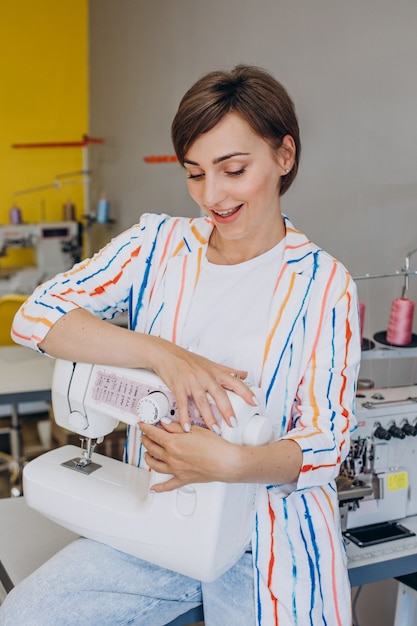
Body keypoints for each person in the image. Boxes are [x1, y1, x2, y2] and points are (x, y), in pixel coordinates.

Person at [1, 65, 360, 626]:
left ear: (284, 156)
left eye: (233, 169)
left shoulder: (323, 284)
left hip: (266, 535)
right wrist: (165, 356)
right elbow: (36, 316)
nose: (211, 196)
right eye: (194, 174)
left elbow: (328, 440)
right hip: (160, 515)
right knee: (28, 615)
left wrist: (233, 463)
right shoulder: (157, 246)